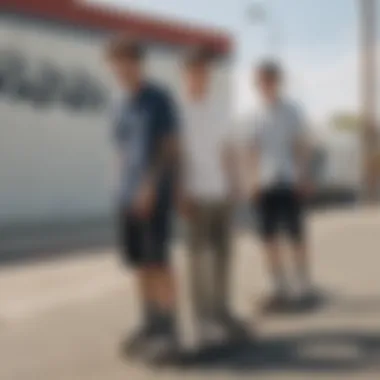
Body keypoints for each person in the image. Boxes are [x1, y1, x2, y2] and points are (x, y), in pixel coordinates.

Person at [105, 36, 180, 361]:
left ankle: (169, 332)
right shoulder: (117, 102)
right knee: (139, 265)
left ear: (139, 63)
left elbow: (169, 147)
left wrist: (151, 186)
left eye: (129, 61)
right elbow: (121, 149)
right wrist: (119, 185)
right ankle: (149, 324)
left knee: (159, 263)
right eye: (117, 62)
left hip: (154, 196)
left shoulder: (159, 98)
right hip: (127, 196)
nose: (123, 68)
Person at [179, 47, 246, 347]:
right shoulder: (178, 112)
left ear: (208, 76)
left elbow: (228, 149)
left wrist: (235, 183)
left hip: (221, 195)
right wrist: (180, 192)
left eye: (203, 72)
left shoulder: (219, 109)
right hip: (195, 197)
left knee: (223, 257)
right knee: (197, 261)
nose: (198, 77)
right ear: (185, 76)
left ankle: (221, 312)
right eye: (193, 72)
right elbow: (174, 157)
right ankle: (202, 320)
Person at [248, 61, 314, 311]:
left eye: (270, 80)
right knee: (268, 237)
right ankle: (277, 284)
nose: (266, 85)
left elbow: (300, 145)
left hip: (289, 179)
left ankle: (302, 282)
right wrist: (252, 179)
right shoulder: (253, 115)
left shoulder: (292, 111)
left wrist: (304, 176)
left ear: (278, 82)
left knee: (296, 234)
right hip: (265, 183)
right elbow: (252, 150)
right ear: (257, 85)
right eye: (262, 81)